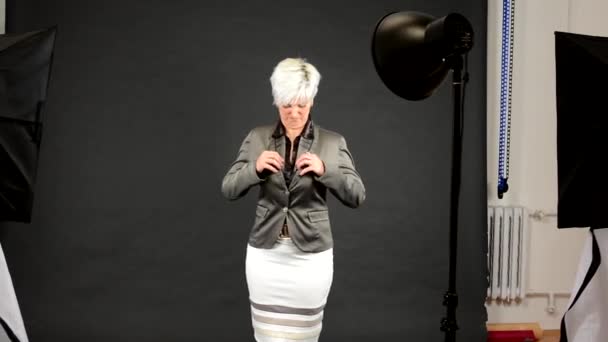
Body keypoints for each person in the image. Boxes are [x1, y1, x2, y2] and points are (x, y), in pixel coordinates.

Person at [221, 57, 365, 342]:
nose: (295, 112)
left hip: (311, 257)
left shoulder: (333, 142)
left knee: (305, 338)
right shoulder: (257, 137)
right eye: (288, 105)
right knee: (267, 337)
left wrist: (326, 171)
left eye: (301, 104)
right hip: (265, 255)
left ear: (311, 101)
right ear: (277, 102)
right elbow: (229, 188)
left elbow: (357, 195)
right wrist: (255, 169)